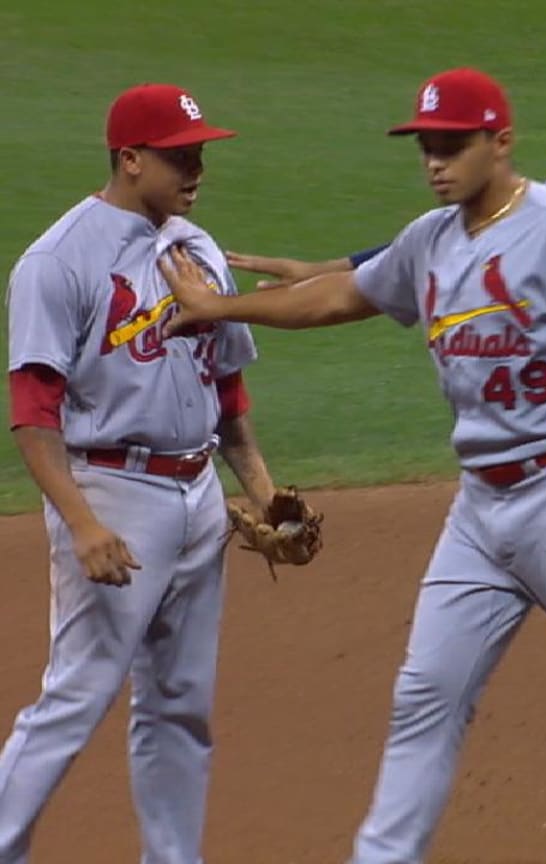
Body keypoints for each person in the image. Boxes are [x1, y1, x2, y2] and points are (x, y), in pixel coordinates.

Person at [159, 66, 546, 864]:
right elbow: (338, 298)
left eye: (452, 145)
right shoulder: (430, 241)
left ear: (500, 142)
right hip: (479, 513)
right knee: (425, 698)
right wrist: (221, 309)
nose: (435, 161)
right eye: (426, 146)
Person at [1, 83, 300, 864]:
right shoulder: (58, 260)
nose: (197, 168)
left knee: (179, 703)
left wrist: (264, 492)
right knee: (78, 695)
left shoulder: (199, 249)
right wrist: (83, 522)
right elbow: (33, 411)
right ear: (130, 159)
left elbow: (226, 387)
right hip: (112, 491)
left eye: (199, 151)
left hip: (197, 490)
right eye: (179, 155)